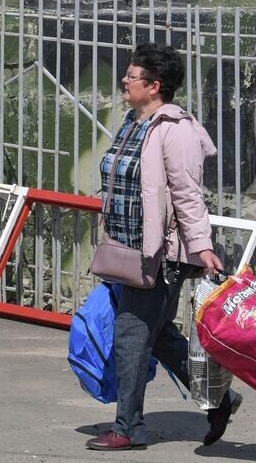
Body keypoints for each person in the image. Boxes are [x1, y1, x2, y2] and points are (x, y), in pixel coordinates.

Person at [87, 43, 242, 452]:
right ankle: (220, 399)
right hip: (128, 249)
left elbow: (187, 195)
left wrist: (202, 247)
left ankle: (128, 427)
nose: (124, 80)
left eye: (132, 76)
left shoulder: (176, 130)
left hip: (161, 254)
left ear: (154, 86)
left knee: (131, 336)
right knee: (155, 336)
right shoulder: (133, 121)